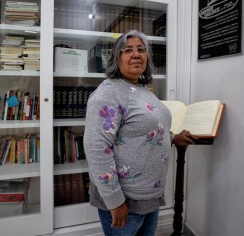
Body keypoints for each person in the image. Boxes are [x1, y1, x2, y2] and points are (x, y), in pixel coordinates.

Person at [83, 30, 196, 236]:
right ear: (117, 58)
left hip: (148, 195)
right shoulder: (108, 93)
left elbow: (146, 131)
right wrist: (115, 201)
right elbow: (97, 149)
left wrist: (173, 138)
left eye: (141, 50)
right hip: (125, 199)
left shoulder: (142, 89)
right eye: (128, 50)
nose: (136, 54)